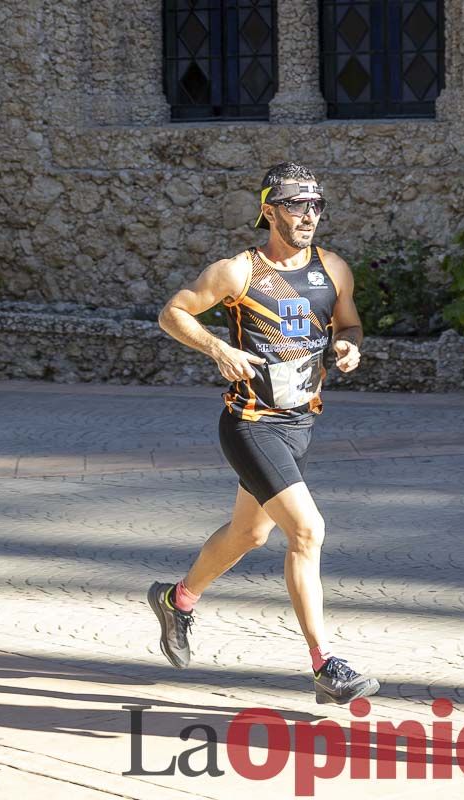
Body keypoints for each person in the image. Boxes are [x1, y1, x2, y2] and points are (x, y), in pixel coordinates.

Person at [148, 162, 379, 705]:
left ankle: (177, 600)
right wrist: (218, 348)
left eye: (316, 205)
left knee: (249, 535)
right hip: (251, 424)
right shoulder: (239, 272)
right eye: (296, 205)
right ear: (269, 209)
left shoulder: (333, 268)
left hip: (300, 423)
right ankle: (326, 666)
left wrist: (350, 345)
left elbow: (349, 322)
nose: (308, 216)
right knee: (306, 531)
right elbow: (172, 313)